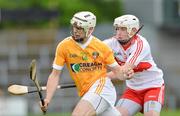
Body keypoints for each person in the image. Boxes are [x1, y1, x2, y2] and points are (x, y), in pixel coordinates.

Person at [40, 11, 134, 116]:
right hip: (87, 94)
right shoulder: (64, 46)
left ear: (90, 29)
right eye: (74, 27)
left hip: (102, 89)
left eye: (79, 28)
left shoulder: (102, 47)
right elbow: (54, 75)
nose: (75, 31)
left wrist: (126, 75)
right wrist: (47, 99)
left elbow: (118, 72)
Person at [103, 14, 165, 116]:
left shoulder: (141, 44)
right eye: (117, 29)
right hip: (133, 90)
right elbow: (93, 50)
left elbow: (124, 71)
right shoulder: (111, 43)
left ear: (133, 30)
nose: (119, 33)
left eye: (123, 29)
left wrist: (101, 78)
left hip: (153, 87)